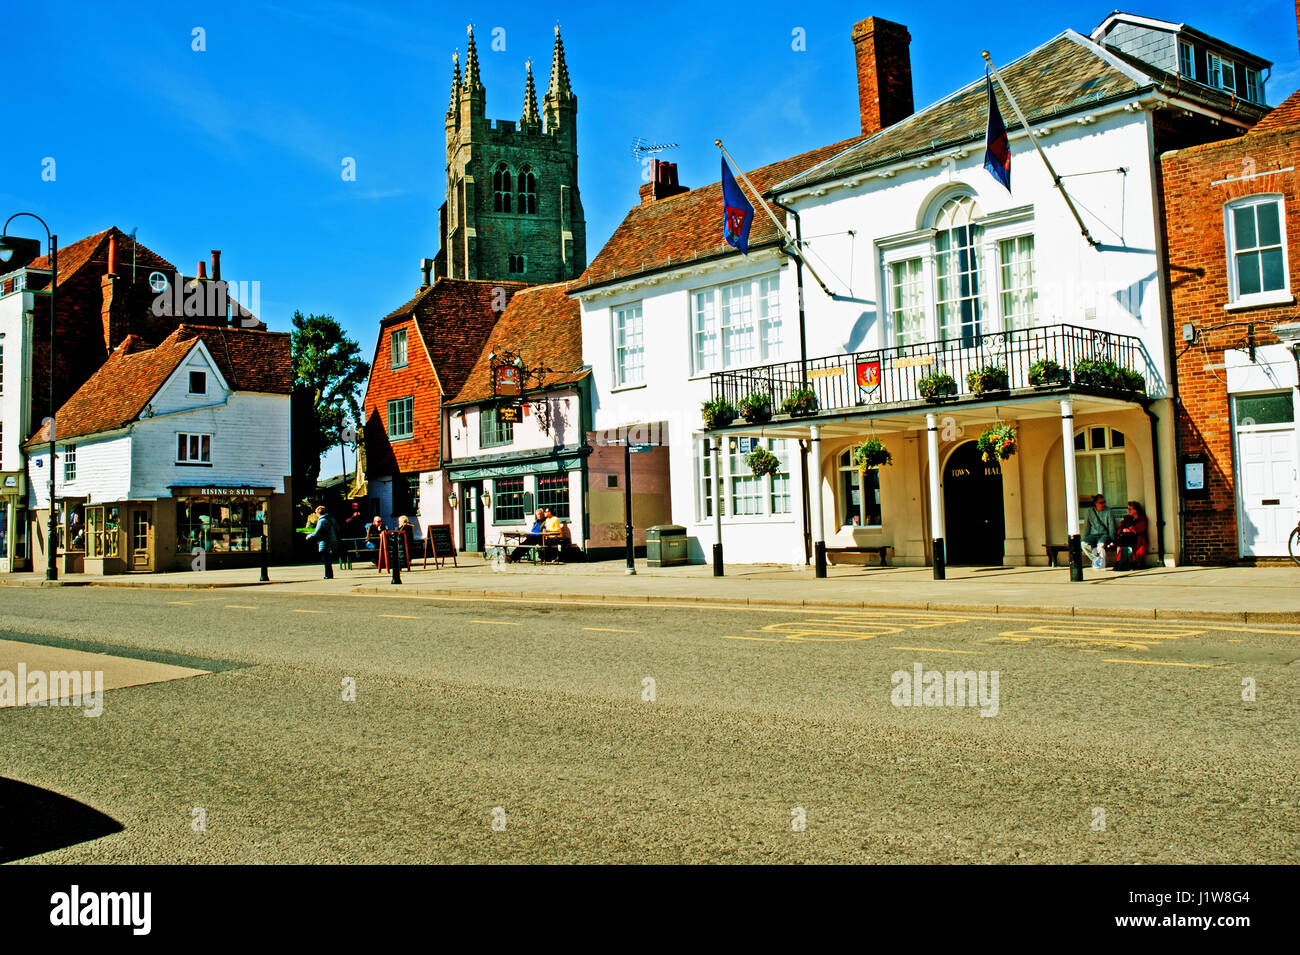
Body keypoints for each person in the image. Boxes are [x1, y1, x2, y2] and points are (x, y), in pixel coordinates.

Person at [1080, 494, 1117, 565]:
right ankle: (1096, 560)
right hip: (1093, 535)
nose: (1104, 504)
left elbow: (1111, 526)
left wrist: (1112, 540)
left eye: (1104, 502)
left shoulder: (1108, 511)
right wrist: (1084, 538)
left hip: (1104, 535)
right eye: (1101, 502)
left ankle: (1101, 563)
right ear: (1096, 503)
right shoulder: (1090, 512)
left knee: (1100, 546)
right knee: (1083, 544)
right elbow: (1086, 527)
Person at [306, 505, 340, 579]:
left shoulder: (321, 520)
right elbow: (337, 529)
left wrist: (308, 536)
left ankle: (328, 575)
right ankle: (330, 574)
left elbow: (316, 532)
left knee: (326, 560)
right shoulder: (332, 519)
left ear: (318, 513)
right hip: (333, 541)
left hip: (324, 542)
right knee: (329, 559)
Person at [1114, 501, 1148, 571]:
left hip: (1136, 538)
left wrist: (1130, 530)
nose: (1128, 510)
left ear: (1136, 510)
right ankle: (1121, 563)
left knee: (1122, 542)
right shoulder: (1127, 518)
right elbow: (1121, 527)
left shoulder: (1142, 518)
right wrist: (1123, 530)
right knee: (1122, 541)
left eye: (1130, 509)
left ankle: (1121, 563)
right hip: (1126, 538)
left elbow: (1141, 527)